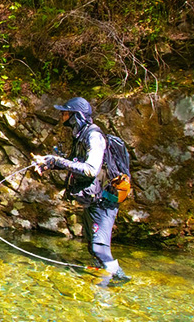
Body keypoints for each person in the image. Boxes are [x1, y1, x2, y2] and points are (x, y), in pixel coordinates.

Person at [34, 97, 130, 284]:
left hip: (104, 201)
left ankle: (119, 281)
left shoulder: (93, 136)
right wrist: (50, 164)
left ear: (76, 116)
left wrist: (59, 161)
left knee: (99, 248)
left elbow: (91, 169)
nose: (62, 115)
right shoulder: (80, 136)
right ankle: (104, 279)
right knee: (92, 246)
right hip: (94, 201)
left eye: (65, 112)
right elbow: (75, 164)